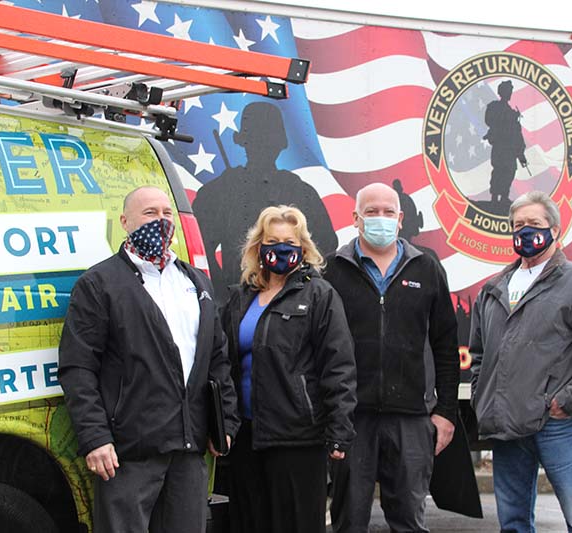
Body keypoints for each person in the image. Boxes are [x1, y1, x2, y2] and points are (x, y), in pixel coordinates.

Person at [58, 186, 239, 533]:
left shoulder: (195, 281)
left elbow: (217, 360)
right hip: (129, 454)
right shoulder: (99, 284)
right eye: (149, 214)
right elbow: (78, 367)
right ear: (125, 222)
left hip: (189, 451)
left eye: (166, 213)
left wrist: (225, 424)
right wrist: (95, 437)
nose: (161, 221)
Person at [469, 190, 572, 533]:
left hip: (559, 425)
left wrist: (569, 400)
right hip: (507, 427)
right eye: (518, 225)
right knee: (512, 523)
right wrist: (484, 398)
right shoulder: (493, 289)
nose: (525, 231)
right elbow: (479, 355)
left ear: (555, 230)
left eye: (534, 224)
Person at [324, 183, 460, 533]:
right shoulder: (332, 270)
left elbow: (445, 344)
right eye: (371, 212)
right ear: (355, 219)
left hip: (412, 420)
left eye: (388, 212)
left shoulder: (427, 268)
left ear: (400, 220)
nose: (380, 219)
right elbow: (319, 348)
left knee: (408, 522)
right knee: (348, 521)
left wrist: (445, 412)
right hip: (352, 419)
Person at [222, 205, 356, 533]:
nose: (281, 248)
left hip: (297, 438)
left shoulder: (319, 295)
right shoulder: (241, 298)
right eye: (272, 240)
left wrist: (340, 430)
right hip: (246, 438)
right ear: (258, 246)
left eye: (289, 242)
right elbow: (223, 365)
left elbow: (338, 366)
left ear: (302, 248)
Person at [193, 102, 337, 298]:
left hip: (293, 304)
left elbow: (326, 247)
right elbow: (200, 249)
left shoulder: (301, 192)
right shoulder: (219, 192)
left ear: (280, 144)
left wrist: (300, 288)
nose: (263, 146)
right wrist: (224, 295)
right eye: (257, 139)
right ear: (244, 142)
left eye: (268, 140)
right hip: (238, 303)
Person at [484, 80, 527, 208]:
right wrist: (509, 117)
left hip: (510, 149)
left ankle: (503, 197)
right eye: (508, 91)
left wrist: (521, 156)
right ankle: (494, 198)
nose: (510, 93)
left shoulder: (510, 112)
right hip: (500, 147)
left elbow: (517, 135)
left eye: (510, 91)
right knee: (499, 171)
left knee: (509, 172)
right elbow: (490, 120)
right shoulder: (495, 107)